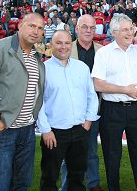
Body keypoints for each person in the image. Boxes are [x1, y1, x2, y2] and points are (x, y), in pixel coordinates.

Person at [0, 13, 46, 190]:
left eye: (40, 28)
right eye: (32, 26)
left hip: (27, 131)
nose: (36, 31)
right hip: (2, 130)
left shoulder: (37, 56)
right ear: (20, 25)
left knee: (21, 184)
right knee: (0, 185)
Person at [92, 14, 137, 191]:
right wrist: (125, 90)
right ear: (114, 32)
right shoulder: (103, 53)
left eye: (131, 28)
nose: (129, 32)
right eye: (125, 29)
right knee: (112, 155)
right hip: (111, 109)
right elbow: (97, 84)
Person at [37, 30, 98, 191]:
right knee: (50, 177)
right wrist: (45, 130)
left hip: (80, 130)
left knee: (77, 177)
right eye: (59, 43)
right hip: (54, 133)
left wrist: (87, 122)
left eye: (67, 43)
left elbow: (91, 96)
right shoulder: (43, 69)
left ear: (71, 45)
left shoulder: (82, 68)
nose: (63, 47)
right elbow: (38, 102)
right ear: (50, 46)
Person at [58, 14, 104, 191]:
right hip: (69, 111)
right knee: (68, 153)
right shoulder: (66, 50)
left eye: (92, 28)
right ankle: (68, 185)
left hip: (95, 109)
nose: (88, 31)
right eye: (85, 27)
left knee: (91, 150)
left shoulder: (102, 51)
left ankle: (93, 184)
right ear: (77, 28)